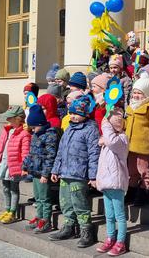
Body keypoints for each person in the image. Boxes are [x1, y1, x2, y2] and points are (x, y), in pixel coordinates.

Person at [49, 95, 100, 248]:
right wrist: (55, 169)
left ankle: (86, 230)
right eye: (71, 113)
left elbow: (94, 154)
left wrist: (93, 175)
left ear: (84, 114)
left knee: (80, 203)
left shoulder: (91, 129)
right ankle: (69, 226)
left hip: (79, 173)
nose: (73, 116)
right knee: (65, 202)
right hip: (65, 173)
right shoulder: (69, 128)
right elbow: (60, 151)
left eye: (76, 113)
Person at [0, 105, 32, 224]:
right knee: (5, 188)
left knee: (13, 189)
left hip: (15, 166)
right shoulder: (7, 130)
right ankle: (6, 210)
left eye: (10, 118)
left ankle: (12, 212)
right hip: (4, 164)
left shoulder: (24, 134)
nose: (7, 120)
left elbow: (25, 152)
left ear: (18, 119)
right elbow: (0, 148)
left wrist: (25, 167)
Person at [95, 109, 130, 256]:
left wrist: (105, 123)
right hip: (106, 183)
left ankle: (121, 242)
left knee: (119, 215)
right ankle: (110, 238)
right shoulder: (108, 140)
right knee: (109, 215)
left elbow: (110, 140)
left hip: (116, 183)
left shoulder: (121, 140)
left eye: (108, 124)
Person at [125, 73, 149, 206]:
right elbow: (126, 124)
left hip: (144, 147)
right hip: (130, 146)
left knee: (144, 170)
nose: (135, 96)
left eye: (139, 93)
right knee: (132, 170)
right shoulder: (130, 107)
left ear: (146, 94)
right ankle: (132, 191)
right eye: (134, 92)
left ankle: (145, 191)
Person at [22, 105, 59, 233]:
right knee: (38, 197)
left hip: (43, 173)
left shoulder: (49, 135)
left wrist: (45, 174)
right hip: (35, 172)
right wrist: (25, 166)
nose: (32, 130)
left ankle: (46, 220)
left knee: (45, 198)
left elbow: (50, 156)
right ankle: (39, 217)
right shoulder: (36, 134)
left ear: (40, 123)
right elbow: (31, 153)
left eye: (34, 127)